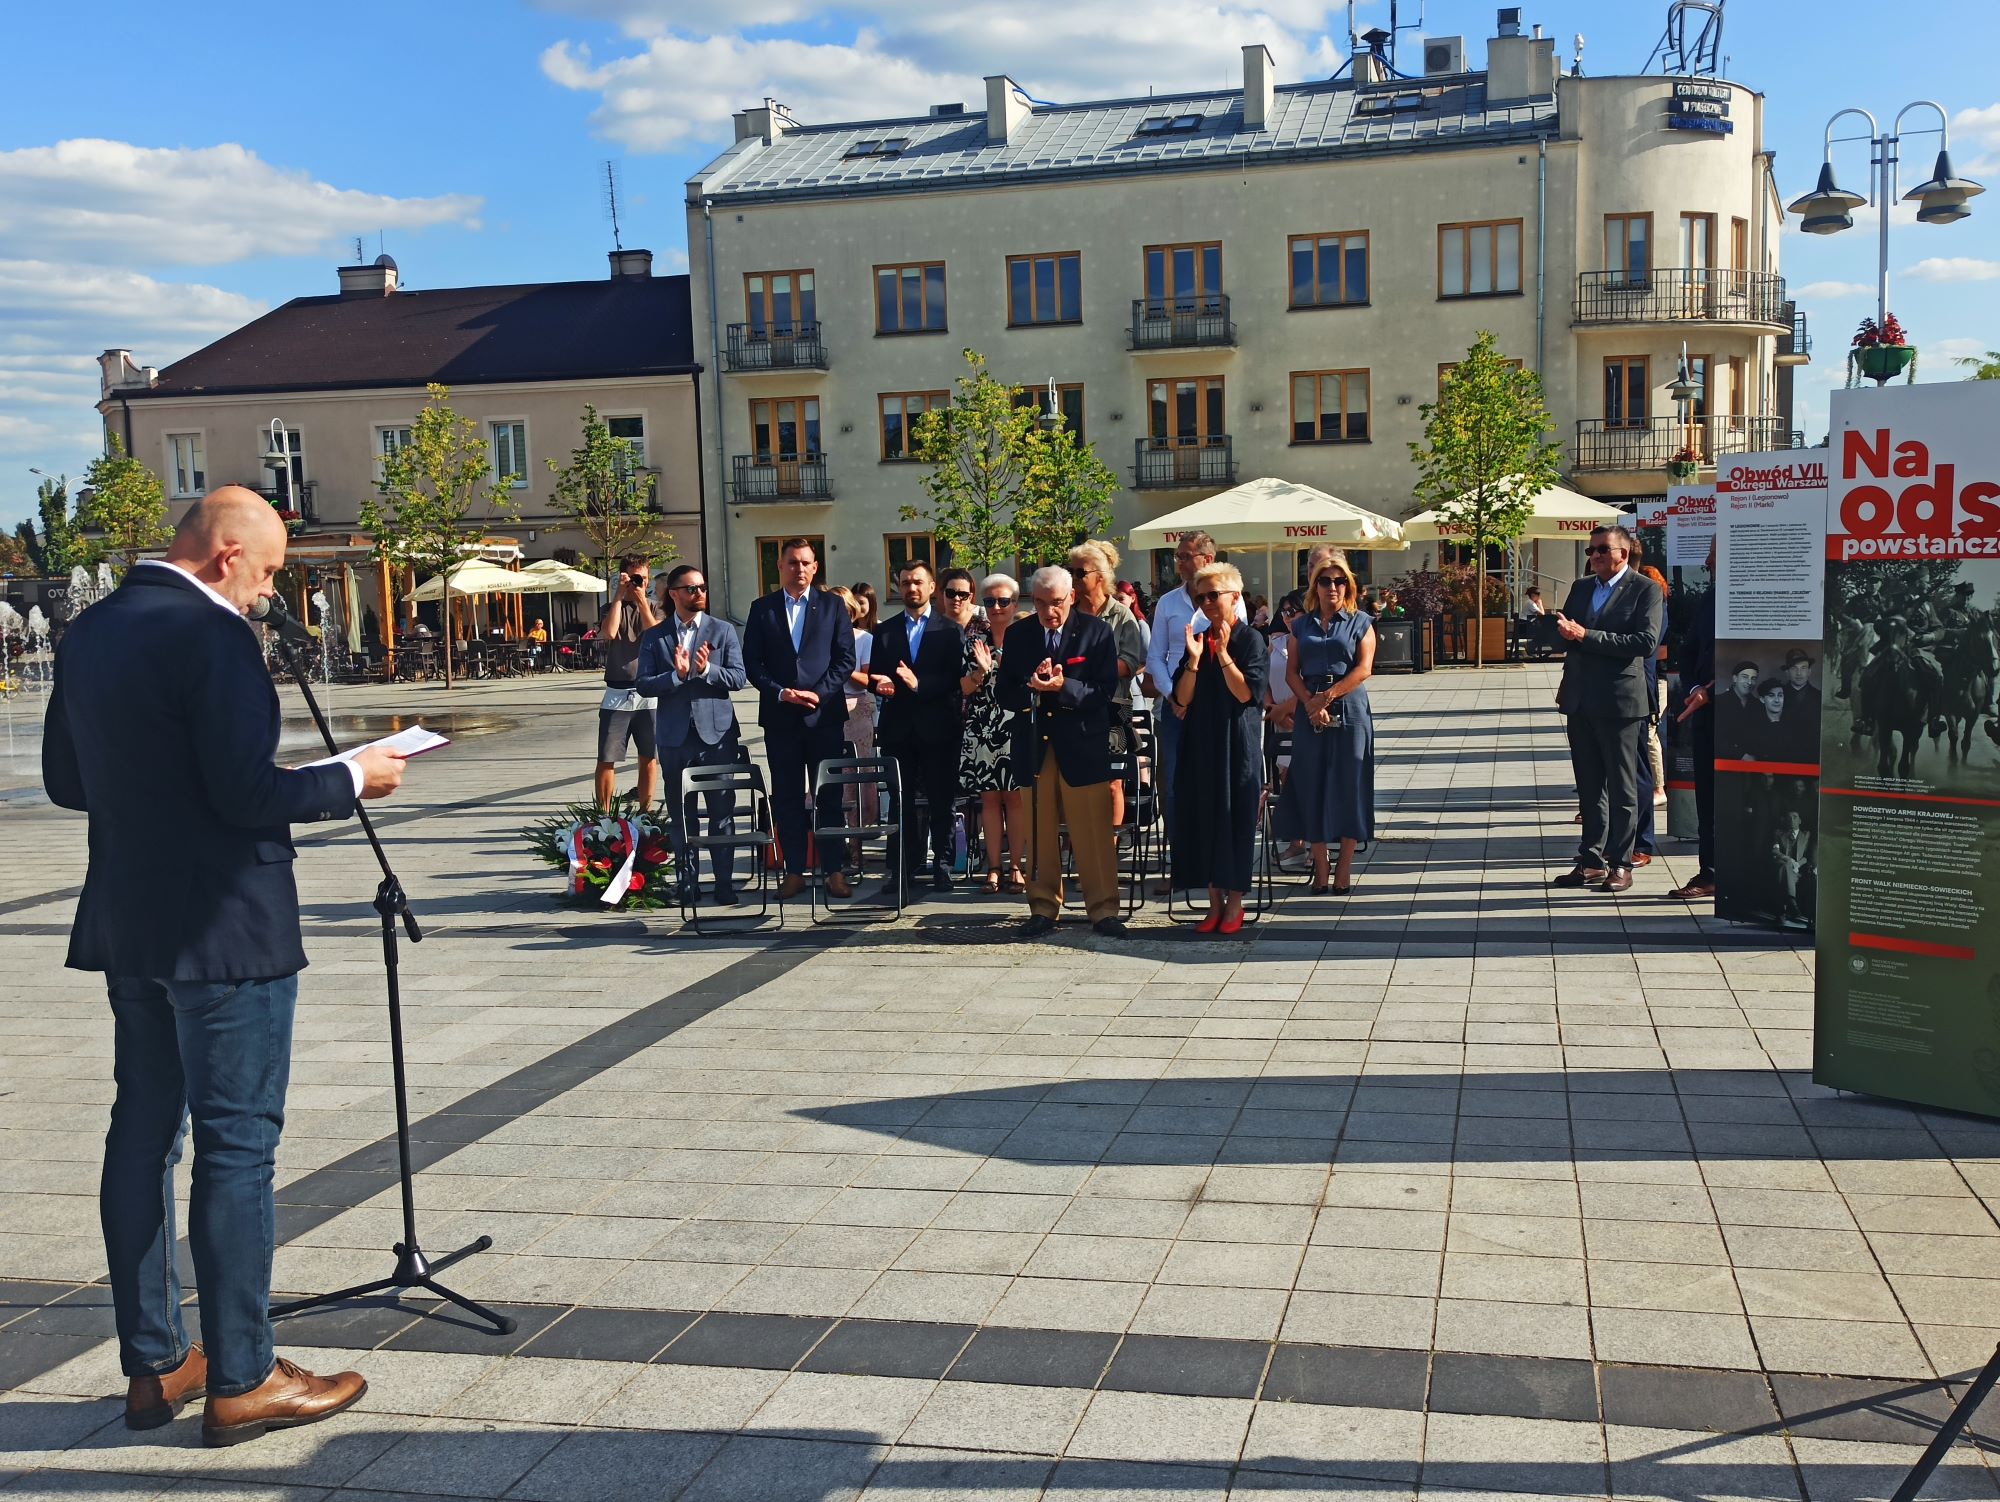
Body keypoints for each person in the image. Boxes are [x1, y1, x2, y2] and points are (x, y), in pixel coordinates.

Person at [41, 487, 407, 1444]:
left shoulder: (89, 631)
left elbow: (66, 781)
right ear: (227, 554)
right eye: (270, 571)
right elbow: (247, 795)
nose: (268, 592)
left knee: (142, 1136)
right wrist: (352, 777)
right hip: (227, 928)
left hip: (132, 922)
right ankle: (243, 1376)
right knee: (237, 1147)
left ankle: (156, 1364)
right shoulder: (214, 635)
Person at [997, 566, 1126, 938]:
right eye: (1040, 603)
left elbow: (1105, 692)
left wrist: (1062, 686)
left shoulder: (1096, 632)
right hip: (1035, 744)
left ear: (1071, 596)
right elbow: (1004, 693)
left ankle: (1103, 910)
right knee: (1039, 829)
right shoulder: (1019, 634)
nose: (1048, 611)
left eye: (1055, 602)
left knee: (1093, 830)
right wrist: (1032, 686)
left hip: (1082, 744)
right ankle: (1042, 907)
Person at [1551, 524, 1663, 894]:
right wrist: (1554, 630)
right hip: (1581, 699)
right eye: (1591, 550)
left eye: (1602, 549)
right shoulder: (1582, 587)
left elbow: (1645, 642)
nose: (1595, 556)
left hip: (1620, 702)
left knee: (1622, 786)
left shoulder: (1645, 589)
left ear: (1623, 553)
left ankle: (1621, 863)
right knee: (1589, 786)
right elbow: (1568, 635)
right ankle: (1591, 861)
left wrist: (1586, 635)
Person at [742, 539, 855, 900]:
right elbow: (752, 663)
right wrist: (780, 692)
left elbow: (845, 659)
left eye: (806, 562)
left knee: (829, 796)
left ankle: (834, 871)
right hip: (781, 719)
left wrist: (819, 693)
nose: (799, 568)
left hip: (824, 717)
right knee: (787, 797)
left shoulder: (833, 606)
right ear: (780, 566)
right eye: (792, 562)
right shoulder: (762, 609)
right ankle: (793, 871)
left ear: (816, 567)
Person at [1141, 531, 1248, 896]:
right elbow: (1155, 656)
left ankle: (1216, 869)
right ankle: (1181, 865)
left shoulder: (1229, 598)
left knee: (1214, 785)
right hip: (1175, 707)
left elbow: (1236, 645)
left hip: (1214, 708)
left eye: (1186, 556)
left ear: (1208, 558)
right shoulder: (1168, 603)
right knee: (1174, 787)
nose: (1180, 563)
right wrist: (1174, 696)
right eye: (1177, 557)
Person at [635, 564, 745, 905]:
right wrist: (677, 676)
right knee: (682, 815)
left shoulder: (722, 630)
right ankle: (688, 883)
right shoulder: (656, 636)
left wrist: (706, 669)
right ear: (674, 594)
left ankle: (724, 883)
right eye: (691, 588)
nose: (699, 593)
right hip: (675, 737)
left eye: (702, 587)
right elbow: (643, 683)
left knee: (721, 812)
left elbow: (738, 678)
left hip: (717, 736)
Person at [1171, 562, 1268, 932]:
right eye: (1202, 597)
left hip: (1236, 744)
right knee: (1204, 820)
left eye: (1214, 595)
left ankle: (1235, 904)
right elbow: (1182, 698)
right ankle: (1214, 904)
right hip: (1200, 744)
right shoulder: (1198, 639)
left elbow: (1246, 693)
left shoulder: (1250, 639)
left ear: (1234, 597)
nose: (1208, 603)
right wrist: (1194, 662)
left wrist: (1224, 654)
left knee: (1235, 821)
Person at [1277, 558, 1377, 894]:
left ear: (1348, 586)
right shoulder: (1301, 626)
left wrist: (1327, 697)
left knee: (1350, 784)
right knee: (1311, 783)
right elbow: (1291, 672)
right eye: (1325, 581)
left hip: (1349, 706)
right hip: (1310, 708)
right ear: (1315, 586)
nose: (1332, 587)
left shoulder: (1361, 622)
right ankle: (1320, 862)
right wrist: (1310, 702)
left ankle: (1344, 867)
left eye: (1339, 581)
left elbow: (1364, 668)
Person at [871, 560, 966, 891]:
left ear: (931, 588)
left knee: (942, 800)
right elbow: (877, 674)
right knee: (901, 801)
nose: (911, 588)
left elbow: (955, 679)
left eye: (917, 582)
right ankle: (902, 867)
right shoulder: (885, 631)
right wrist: (881, 684)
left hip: (939, 727)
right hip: (898, 729)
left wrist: (919, 684)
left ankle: (942, 865)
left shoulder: (949, 630)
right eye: (905, 582)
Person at [1071, 541, 1146, 835]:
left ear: (1100, 577)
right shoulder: (1068, 614)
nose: (1074, 578)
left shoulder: (1122, 615)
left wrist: (1086, 667)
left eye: (1080, 572)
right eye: (1071, 571)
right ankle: (1077, 844)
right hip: (1072, 707)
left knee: (1112, 780)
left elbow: (1130, 663)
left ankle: (1108, 845)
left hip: (1112, 707)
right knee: (1076, 779)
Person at [960, 574, 1026, 893]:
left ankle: (1016, 866)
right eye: (989, 601)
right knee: (989, 799)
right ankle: (993, 868)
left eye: (1003, 601)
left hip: (1016, 725)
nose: (997, 607)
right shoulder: (974, 643)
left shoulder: (1026, 639)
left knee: (1015, 799)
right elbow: (963, 688)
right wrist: (981, 671)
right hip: (983, 726)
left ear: (1015, 603)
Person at [1670, 538, 1719, 900]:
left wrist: (1714, 688)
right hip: (1705, 716)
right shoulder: (1710, 598)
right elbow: (1687, 651)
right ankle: (1710, 872)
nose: (1707, 560)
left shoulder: (1760, 598)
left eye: (1714, 553)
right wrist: (1695, 687)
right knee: (1708, 797)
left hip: (1747, 717)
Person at [595, 555, 662, 810]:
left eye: (642, 579)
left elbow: (655, 634)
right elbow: (609, 632)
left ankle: (646, 811)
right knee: (607, 757)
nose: (638, 583)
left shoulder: (657, 607)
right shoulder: (612, 606)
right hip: (617, 690)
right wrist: (618, 596)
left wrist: (642, 600)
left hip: (648, 691)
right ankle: (603, 813)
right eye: (634, 578)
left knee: (649, 756)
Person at [828, 586, 879, 836]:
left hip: (857, 709)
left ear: (852, 612)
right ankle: (832, 836)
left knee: (857, 774)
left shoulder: (864, 639)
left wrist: (843, 666)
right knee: (831, 772)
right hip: (826, 708)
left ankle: (857, 837)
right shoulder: (817, 639)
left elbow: (868, 680)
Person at [1771, 808, 1814, 925]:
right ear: (1785, 820)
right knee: (1784, 867)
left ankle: (1781, 913)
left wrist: (1797, 864)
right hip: (1782, 867)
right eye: (1789, 817)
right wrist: (1789, 859)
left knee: (1783, 875)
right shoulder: (1778, 833)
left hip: (1797, 871)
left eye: (1795, 817)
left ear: (1800, 821)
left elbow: (1807, 856)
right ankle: (1791, 901)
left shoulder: (1806, 835)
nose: (1791, 820)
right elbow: (1775, 851)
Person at [1715, 660, 1762, 760]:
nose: (1749, 682)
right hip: (1726, 762)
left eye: (1753, 678)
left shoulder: (1758, 705)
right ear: (1735, 678)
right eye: (1745, 677)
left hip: (1753, 763)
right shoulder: (1719, 702)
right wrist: (1741, 755)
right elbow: (1716, 739)